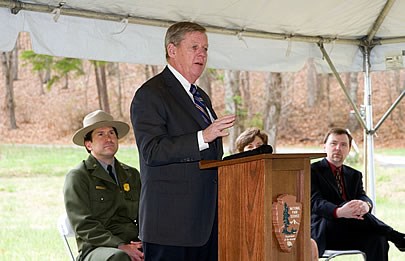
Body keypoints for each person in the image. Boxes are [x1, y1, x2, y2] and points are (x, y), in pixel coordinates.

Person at [130, 21, 236, 261]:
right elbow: (152, 151)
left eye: (206, 49)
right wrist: (203, 136)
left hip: (205, 224)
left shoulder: (200, 96)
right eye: (194, 47)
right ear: (172, 50)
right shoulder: (151, 94)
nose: (202, 54)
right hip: (170, 227)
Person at [311, 127, 405, 260]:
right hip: (326, 231)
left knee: (379, 239)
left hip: (351, 229)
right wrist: (339, 211)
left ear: (349, 149)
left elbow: (362, 196)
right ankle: (396, 236)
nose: (338, 148)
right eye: (334, 143)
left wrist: (366, 205)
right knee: (348, 206)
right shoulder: (312, 171)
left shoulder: (354, 175)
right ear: (324, 146)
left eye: (343, 145)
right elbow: (315, 203)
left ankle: (391, 236)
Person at [63, 110, 144, 261]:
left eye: (112, 133)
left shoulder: (131, 174)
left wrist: (146, 241)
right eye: (100, 134)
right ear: (88, 144)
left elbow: (144, 214)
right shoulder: (78, 177)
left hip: (132, 242)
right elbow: (83, 224)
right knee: (119, 257)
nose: (108, 138)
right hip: (96, 248)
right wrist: (120, 245)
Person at [235, 127, 319, 261]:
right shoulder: (233, 174)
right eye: (249, 147)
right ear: (241, 152)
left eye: (259, 146)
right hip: (249, 232)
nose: (255, 150)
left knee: (311, 245)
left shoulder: (278, 172)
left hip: (277, 229)